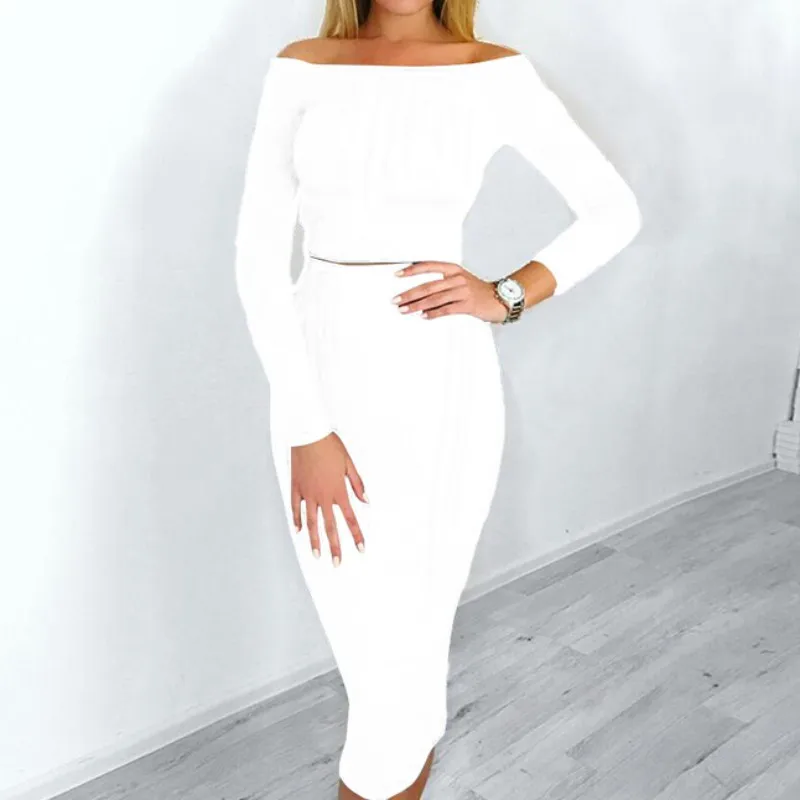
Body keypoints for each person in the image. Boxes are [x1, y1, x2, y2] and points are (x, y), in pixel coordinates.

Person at [233, 2, 642, 798]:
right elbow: (257, 259)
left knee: (409, 632)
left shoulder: (493, 72)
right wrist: (308, 427)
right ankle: (405, 752)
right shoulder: (302, 65)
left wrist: (507, 294)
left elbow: (612, 210)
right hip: (319, 369)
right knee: (370, 637)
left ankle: (390, 765)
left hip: (438, 379)